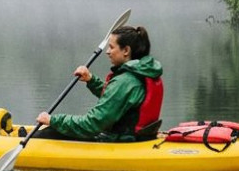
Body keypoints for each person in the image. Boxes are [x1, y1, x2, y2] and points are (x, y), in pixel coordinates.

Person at [33, 25, 163, 142]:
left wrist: (53, 120)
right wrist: (91, 80)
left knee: (51, 132)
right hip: (138, 138)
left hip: (120, 142)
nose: (107, 51)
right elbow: (115, 99)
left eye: (112, 47)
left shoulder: (126, 81)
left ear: (126, 51)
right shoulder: (142, 72)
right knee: (56, 130)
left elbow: (92, 124)